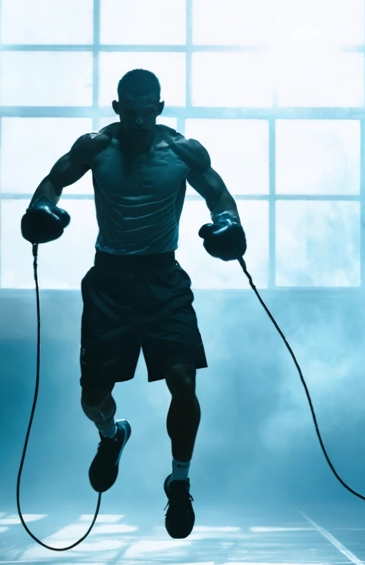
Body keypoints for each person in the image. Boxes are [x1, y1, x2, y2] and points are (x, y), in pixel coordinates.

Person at [20, 69, 246, 539]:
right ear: (117, 107)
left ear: (160, 108)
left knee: (184, 382)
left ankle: (179, 483)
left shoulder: (184, 151)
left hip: (164, 279)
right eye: (131, 109)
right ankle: (111, 434)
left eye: (149, 109)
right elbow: (52, 181)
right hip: (110, 282)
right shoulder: (96, 146)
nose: (140, 118)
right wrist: (42, 209)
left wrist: (227, 223)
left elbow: (219, 195)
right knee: (92, 397)